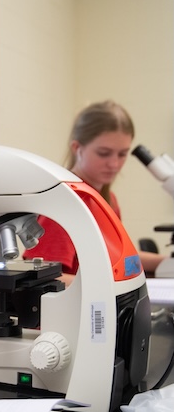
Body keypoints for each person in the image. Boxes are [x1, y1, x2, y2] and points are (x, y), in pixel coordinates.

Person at [24, 100, 165, 283]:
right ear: (77, 148)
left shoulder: (108, 200)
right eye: (104, 153)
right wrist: (111, 289)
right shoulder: (66, 201)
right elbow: (42, 278)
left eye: (122, 154)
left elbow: (119, 257)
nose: (114, 164)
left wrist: (165, 262)